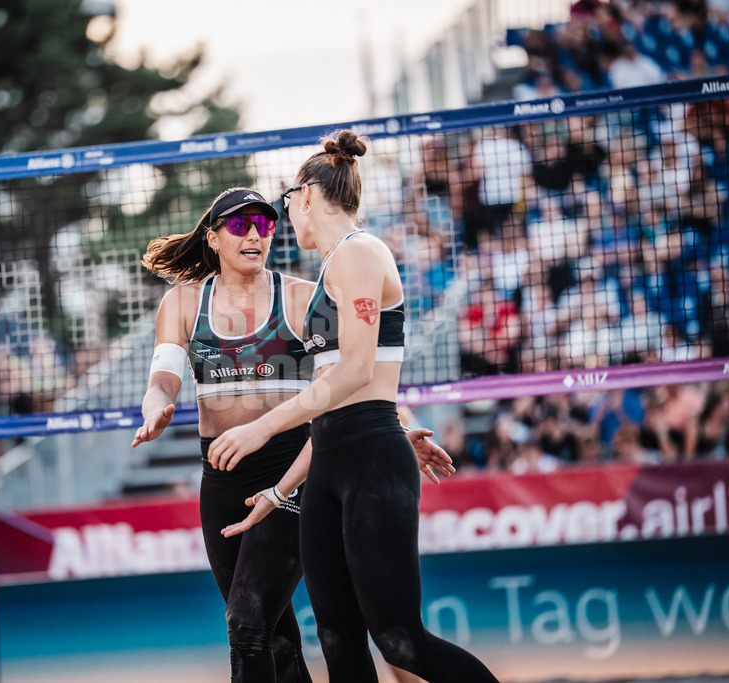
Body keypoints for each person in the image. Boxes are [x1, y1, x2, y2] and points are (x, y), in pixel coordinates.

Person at [208, 131, 499, 683]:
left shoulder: (362, 252)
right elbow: (329, 409)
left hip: (369, 458)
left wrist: (262, 429)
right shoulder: (330, 269)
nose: (286, 213)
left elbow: (359, 373)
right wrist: (278, 490)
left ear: (309, 194)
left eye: (287, 201)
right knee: (338, 641)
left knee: (400, 642)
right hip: (333, 459)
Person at [133, 187, 453, 683]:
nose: (255, 233)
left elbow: (359, 372)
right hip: (220, 477)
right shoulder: (181, 303)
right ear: (214, 237)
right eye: (240, 226)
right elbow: (163, 379)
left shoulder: (304, 297)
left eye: (264, 223)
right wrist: (156, 408)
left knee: (246, 625)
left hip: (296, 468)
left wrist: (398, 426)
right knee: (275, 642)